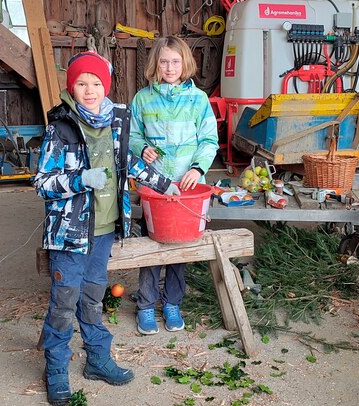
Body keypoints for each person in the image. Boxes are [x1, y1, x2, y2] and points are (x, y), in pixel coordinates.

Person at [34, 51, 181, 406]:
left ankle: (97, 359)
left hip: (103, 231)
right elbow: (42, 182)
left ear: (106, 86)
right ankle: (55, 367)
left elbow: (126, 162)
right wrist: (79, 179)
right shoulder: (60, 128)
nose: (89, 90)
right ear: (72, 87)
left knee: (92, 296)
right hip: (69, 234)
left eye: (96, 83)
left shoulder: (115, 121)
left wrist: (164, 184)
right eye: (82, 83)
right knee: (64, 301)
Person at [128, 36, 219, 335]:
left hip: (187, 187)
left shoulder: (198, 100)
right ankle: (145, 304)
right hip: (155, 186)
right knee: (152, 244)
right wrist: (141, 149)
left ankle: (172, 303)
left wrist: (197, 167)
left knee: (181, 245)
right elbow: (131, 135)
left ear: (185, 64)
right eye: (164, 61)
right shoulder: (142, 99)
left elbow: (209, 140)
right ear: (156, 63)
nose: (169, 67)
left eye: (175, 61)